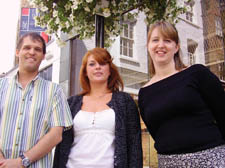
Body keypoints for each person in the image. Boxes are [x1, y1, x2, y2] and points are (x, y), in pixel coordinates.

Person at [138, 21, 225, 167]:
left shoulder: (197, 74)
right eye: (155, 40)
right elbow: (156, 133)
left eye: (167, 40)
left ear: (176, 47)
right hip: (168, 163)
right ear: (148, 46)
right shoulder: (144, 93)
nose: (161, 45)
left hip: (211, 159)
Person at [53, 47, 143, 168]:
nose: (97, 67)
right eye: (92, 64)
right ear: (85, 71)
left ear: (110, 70)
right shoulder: (71, 103)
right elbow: (60, 147)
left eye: (102, 63)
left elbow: (134, 147)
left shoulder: (125, 101)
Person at [0, 32, 73, 168]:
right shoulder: (1, 86)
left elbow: (56, 134)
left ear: (44, 56)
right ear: (17, 52)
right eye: (27, 48)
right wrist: (2, 162)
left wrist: (21, 162)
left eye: (37, 49)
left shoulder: (54, 91)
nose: (32, 52)